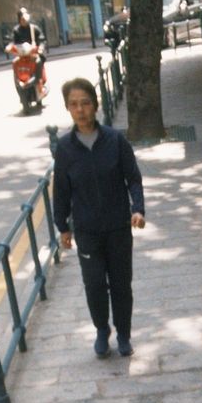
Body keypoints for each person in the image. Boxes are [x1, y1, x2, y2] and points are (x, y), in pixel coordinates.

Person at [52, 77, 145, 359]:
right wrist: (62, 226)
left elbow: (133, 178)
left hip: (118, 227)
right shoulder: (65, 148)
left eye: (85, 103)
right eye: (74, 105)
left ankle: (124, 334)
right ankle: (102, 330)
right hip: (87, 231)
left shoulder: (115, 140)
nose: (80, 110)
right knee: (94, 285)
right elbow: (61, 190)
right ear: (68, 108)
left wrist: (138, 209)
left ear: (95, 105)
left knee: (121, 284)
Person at [10, 6, 47, 91]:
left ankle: (39, 82)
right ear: (19, 19)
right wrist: (11, 48)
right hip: (22, 55)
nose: (24, 21)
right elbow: (13, 42)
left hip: (34, 54)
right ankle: (18, 83)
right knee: (14, 62)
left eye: (25, 18)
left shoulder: (34, 28)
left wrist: (41, 47)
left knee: (38, 61)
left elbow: (42, 39)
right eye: (22, 19)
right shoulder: (16, 30)